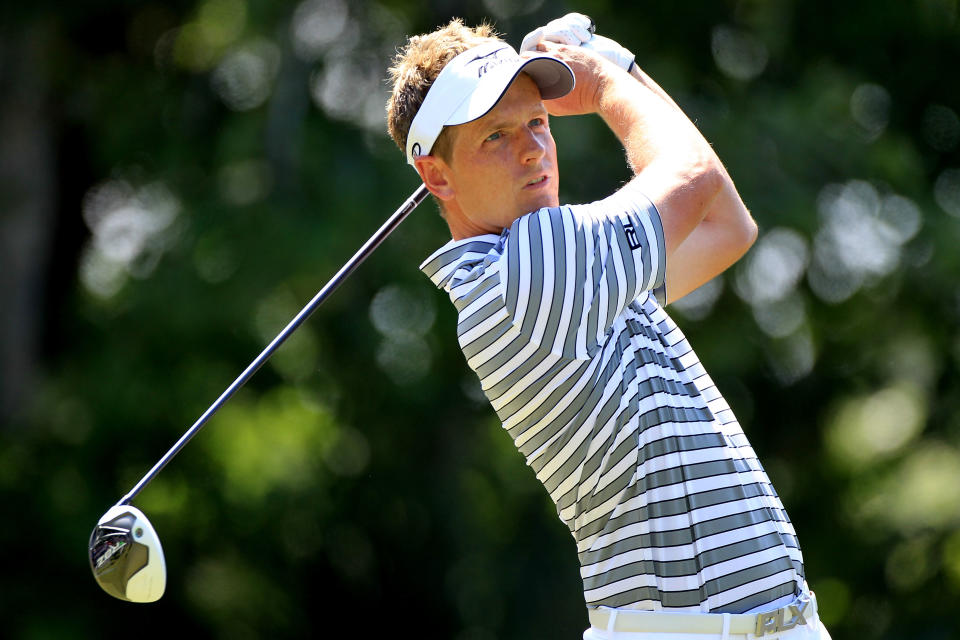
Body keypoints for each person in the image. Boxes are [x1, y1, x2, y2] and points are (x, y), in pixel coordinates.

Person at [385, 13, 830, 640]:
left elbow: (727, 224)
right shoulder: (530, 270)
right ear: (436, 175)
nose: (534, 148)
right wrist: (601, 85)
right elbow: (693, 176)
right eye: (496, 136)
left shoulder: (572, 274)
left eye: (537, 122)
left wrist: (624, 73)